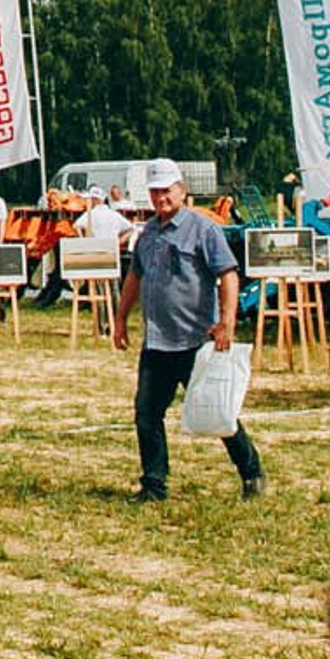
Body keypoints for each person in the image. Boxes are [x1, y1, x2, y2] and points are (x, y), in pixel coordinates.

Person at [112, 158, 261, 504]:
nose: (161, 197)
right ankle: (154, 485)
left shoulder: (203, 229)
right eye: (155, 192)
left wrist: (227, 321)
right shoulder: (147, 234)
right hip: (157, 343)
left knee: (218, 413)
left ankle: (251, 473)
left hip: (196, 341)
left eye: (166, 190)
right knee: (147, 415)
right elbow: (135, 277)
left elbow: (228, 274)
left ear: (181, 190)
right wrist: (120, 319)